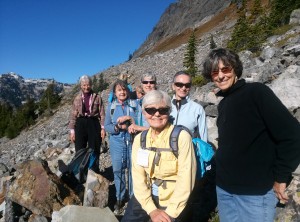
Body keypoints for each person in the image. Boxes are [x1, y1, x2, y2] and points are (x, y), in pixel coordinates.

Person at [202, 48, 300, 222]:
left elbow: (292, 134)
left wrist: (281, 177)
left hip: (255, 194)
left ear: (235, 69)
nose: (220, 76)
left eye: (226, 69)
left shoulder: (256, 92)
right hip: (224, 191)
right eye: (215, 72)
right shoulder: (223, 104)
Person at [122, 90, 196, 222]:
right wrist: (151, 210)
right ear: (144, 113)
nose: (157, 114)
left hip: (172, 199)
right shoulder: (140, 140)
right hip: (145, 195)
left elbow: (186, 179)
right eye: (151, 110)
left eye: (163, 110)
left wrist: (172, 213)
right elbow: (138, 177)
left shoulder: (181, 137)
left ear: (169, 112)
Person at [169, 70, 216, 222]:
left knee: (188, 197)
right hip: (167, 160)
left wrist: (205, 166)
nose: (183, 88)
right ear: (173, 86)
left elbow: (203, 139)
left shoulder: (197, 109)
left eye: (187, 85)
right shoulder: (164, 106)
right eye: (179, 84)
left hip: (188, 160)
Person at [104, 80, 138, 214]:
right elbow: (107, 126)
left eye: (124, 90)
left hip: (132, 141)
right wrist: (117, 127)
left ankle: (133, 197)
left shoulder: (135, 105)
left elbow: (140, 121)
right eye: (119, 90)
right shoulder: (111, 107)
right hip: (116, 142)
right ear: (115, 93)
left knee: (133, 170)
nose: (122, 92)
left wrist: (131, 122)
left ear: (127, 91)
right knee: (118, 171)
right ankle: (119, 197)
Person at [68, 74, 105, 173]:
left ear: (91, 85)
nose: (86, 87)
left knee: (95, 147)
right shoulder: (77, 98)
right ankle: (79, 173)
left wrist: (103, 128)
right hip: (80, 123)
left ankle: (94, 171)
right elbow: (73, 115)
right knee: (79, 148)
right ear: (81, 85)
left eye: (88, 85)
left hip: (93, 122)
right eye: (84, 85)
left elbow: (102, 113)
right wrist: (72, 131)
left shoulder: (97, 97)